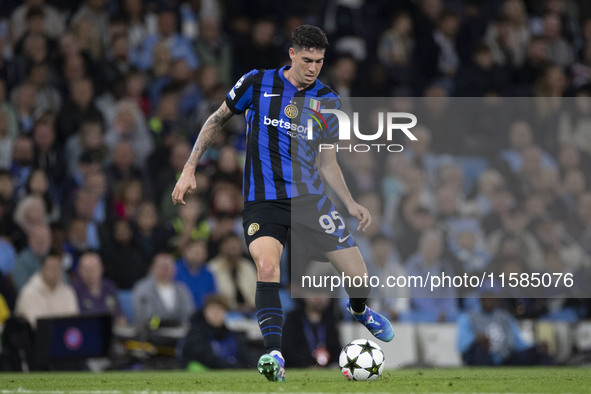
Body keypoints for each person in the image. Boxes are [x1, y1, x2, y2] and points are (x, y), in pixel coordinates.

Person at [171, 25, 393, 382]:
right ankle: (274, 354)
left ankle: (360, 310)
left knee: (359, 278)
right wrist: (189, 168)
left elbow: (328, 163)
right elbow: (216, 120)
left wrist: (350, 203)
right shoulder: (256, 83)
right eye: (307, 60)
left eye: (319, 62)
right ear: (292, 54)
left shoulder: (328, 101)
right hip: (264, 200)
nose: (313, 68)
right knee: (268, 268)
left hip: (311, 201)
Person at [182, 294, 256, 369]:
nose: (216, 313)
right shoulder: (195, 333)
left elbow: (246, 358)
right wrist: (231, 368)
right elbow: (205, 357)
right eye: (212, 309)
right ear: (205, 312)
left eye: (219, 309)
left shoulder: (233, 335)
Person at [15, 252, 79, 328]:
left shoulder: (68, 292)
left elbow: (73, 320)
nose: (55, 272)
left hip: (63, 336)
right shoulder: (28, 293)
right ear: (42, 269)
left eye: (58, 268)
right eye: (51, 268)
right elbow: (34, 324)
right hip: (36, 337)